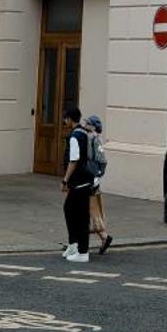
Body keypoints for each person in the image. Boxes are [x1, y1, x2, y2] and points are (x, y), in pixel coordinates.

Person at [58, 104, 97, 263]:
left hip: (79, 181)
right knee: (71, 210)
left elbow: (73, 161)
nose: (64, 121)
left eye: (65, 118)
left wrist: (65, 180)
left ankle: (82, 252)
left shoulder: (75, 136)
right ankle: (74, 245)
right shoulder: (84, 132)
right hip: (86, 180)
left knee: (79, 215)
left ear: (68, 119)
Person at [84, 115, 112, 255]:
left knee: (92, 209)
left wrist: (95, 175)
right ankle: (102, 237)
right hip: (94, 178)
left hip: (90, 179)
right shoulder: (95, 139)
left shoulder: (92, 139)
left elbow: (100, 159)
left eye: (88, 123)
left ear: (93, 126)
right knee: (92, 209)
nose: (85, 125)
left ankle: (103, 236)